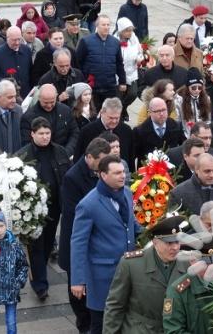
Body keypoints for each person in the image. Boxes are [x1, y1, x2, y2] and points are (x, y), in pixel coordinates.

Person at [70, 155, 139, 334]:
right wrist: (78, 280)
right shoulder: (88, 204)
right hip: (103, 276)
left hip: (128, 270)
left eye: (123, 172)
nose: (122, 176)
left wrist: (154, 232)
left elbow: (131, 225)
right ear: (103, 175)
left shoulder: (126, 192)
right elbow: (78, 243)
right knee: (100, 325)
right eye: (117, 173)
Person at [14, 117, 71, 300]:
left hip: (55, 207)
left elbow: (67, 177)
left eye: (48, 133)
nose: (45, 137)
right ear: (32, 134)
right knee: (36, 246)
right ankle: (40, 285)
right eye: (41, 134)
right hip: (34, 211)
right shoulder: (22, 156)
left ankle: (39, 272)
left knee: (47, 244)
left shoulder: (60, 152)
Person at [59, 138, 112, 333]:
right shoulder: (73, 177)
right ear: (89, 158)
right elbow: (74, 215)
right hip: (78, 238)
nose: (105, 166)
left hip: (97, 240)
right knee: (78, 289)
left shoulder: (102, 171)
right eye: (101, 162)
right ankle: (83, 324)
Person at [103, 216, 189, 333]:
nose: (175, 247)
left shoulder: (188, 264)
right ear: (155, 242)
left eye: (177, 241)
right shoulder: (131, 264)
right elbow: (115, 306)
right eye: (169, 243)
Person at [170, 152, 213, 228]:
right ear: (197, 170)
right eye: (207, 171)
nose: (212, 175)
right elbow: (175, 225)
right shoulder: (179, 192)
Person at [162, 242, 213, 334]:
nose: (209, 267)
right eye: (204, 262)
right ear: (192, 261)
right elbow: (173, 330)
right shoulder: (177, 291)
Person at [75, 15, 126, 108]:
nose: (106, 27)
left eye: (108, 25)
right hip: (92, 86)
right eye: (103, 25)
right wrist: (83, 79)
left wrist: (123, 81)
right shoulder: (86, 41)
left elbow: (119, 63)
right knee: (93, 113)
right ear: (97, 25)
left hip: (109, 86)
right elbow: (78, 62)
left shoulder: (115, 42)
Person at [75, 97, 134, 166]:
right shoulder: (87, 131)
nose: (114, 121)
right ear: (102, 113)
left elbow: (130, 158)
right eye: (111, 118)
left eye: (117, 118)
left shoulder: (126, 131)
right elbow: (78, 159)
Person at [20, 84, 79, 154]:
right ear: (39, 98)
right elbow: (27, 143)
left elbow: (74, 133)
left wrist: (67, 152)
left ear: (56, 97)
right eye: (45, 102)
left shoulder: (65, 110)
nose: (49, 105)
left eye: (52, 102)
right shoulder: (28, 117)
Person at [0, 26, 33, 96]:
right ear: (7, 38)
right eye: (14, 40)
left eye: (19, 39)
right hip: (7, 95)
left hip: (25, 94)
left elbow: (30, 72)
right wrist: (4, 81)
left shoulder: (26, 50)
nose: (17, 43)